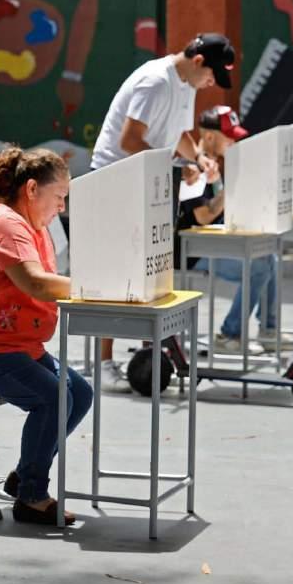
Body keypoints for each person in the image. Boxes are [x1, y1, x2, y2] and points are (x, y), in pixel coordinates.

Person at [0, 146, 93, 525]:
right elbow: (35, 282)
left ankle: (26, 473)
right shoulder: (5, 225)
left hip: (17, 346)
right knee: (53, 398)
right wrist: (97, 285)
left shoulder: (31, 225)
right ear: (31, 189)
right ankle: (31, 496)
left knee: (80, 394)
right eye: (59, 196)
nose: (62, 207)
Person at [90, 32, 235, 391]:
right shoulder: (155, 82)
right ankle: (103, 362)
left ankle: (148, 355)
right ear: (198, 61)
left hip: (147, 179)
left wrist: (197, 159)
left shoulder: (186, 84)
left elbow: (179, 134)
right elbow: (129, 140)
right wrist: (173, 165)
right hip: (114, 179)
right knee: (116, 272)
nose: (211, 83)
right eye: (212, 75)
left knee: (149, 268)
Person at [178, 106, 293, 354]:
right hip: (191, 253)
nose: (233, 142)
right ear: (210, 136)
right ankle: (229, 334)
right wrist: (231, 189)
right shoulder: (192, 166)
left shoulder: (213, 165)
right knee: (260, 265)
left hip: (213, 244)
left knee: (270, 259)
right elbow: (202, 216)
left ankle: (268, 329)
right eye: (229, 136)